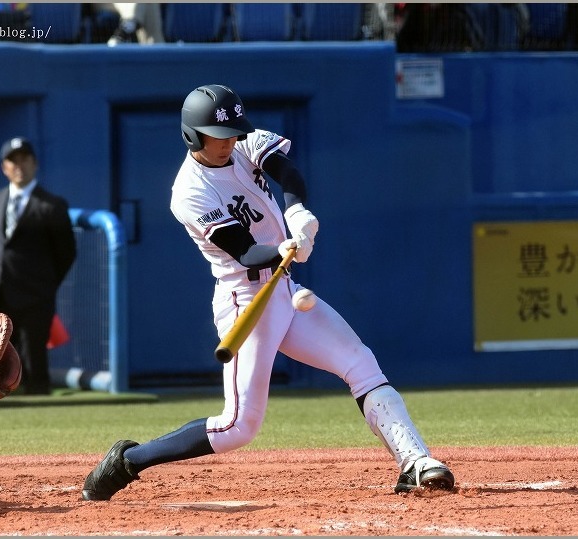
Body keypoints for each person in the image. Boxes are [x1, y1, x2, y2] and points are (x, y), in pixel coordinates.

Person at [81, 84, 455, 501]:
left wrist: (297, 212)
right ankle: (129, 460)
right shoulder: (189, 191)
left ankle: (416, 462)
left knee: (360, 362)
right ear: (192, 135)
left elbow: (288, 174)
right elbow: (244, 251)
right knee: (238, 427)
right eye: (214, 134)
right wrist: (282, 248)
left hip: (285, 290)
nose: (226, 142)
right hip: (246, 301)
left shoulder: (245, 141)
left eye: (230, 133)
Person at [0, 137, 76, 395]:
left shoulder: (52, 205)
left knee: (34, 357)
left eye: (25, 159)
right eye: (13, 160)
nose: (19, 165)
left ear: (34, 163)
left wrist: (44, 285)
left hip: (36, 295)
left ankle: (38, 409)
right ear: (4, 167)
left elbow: (66, 253)